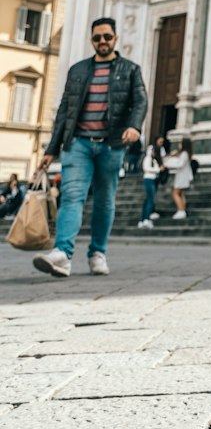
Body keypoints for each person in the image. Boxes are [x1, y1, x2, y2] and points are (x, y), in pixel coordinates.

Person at [34, 17, 147, 277]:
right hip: (78, 144)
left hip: (111, 145)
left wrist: (135, 126)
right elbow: (64, 111)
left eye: (107, 37)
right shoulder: (78, 70)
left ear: (116, 38)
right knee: (73, 196)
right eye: (97, 38)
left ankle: (98, 252)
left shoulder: (129, 69)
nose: (103, 42)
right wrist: (51, 150)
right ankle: (62, 253)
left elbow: (140, 101)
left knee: (105, 201)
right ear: (91, 40)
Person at [164, 137, 195, 220]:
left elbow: (180, 164)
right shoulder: (185, 153)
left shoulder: (184, 153)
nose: (179, 145)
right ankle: (182, 210)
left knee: (175, 193)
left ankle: (181, 210)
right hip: (182, 175)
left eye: (180, 143)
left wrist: (168, 165)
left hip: (182, 176)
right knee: (181, 194)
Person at [137, 144, 160, 230]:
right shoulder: (147, 159)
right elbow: (146, 168)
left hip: (152, 179)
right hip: (148, 179)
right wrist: (157, 170)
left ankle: (143, 219)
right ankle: (145, 218)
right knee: (151, 199)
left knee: (148, 199)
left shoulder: (153, 160)